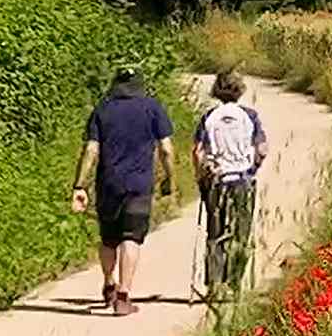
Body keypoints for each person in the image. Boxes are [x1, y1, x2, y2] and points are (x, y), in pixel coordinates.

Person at [68, 62, 177, 315]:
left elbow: (91, 150)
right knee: (131, 237)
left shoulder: (102, 110)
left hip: (108, 183)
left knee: (108, 238)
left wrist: (79, 185)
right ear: (140, 84)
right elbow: (167, 149)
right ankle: (124, 296)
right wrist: (170, 179)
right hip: (139, 185)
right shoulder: (152, 108)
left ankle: (109, 284)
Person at [194, 71, 269, 293]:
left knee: (215, 232)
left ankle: (215, 283)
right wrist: (252, 168)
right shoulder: (249, 116)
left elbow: (198, 152)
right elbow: (262, 150)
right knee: (241, 233)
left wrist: (201, 177)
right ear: (239, 90)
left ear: (217, 90)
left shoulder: (209, 116)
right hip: (242, 179)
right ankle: (235, 282)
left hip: (217, 180)